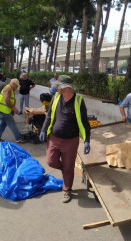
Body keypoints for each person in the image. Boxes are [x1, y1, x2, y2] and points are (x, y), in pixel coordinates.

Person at [39, 75, 91, 203]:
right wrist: (43, 130)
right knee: (51, 161)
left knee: (69, 168)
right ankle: (66, 170)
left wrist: (87, 140)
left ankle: (67, 190)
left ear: (65, 87)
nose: (56, 87)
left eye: (58, 85)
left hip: (70, 141)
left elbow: (85, 122)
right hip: (54, 138)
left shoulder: (78, 101)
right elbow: (50, 115)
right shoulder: (56, 97)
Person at [0, 78, 24, 143]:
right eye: (16, 86)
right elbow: (6, 100)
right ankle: (18, 138)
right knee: (12, 124)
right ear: (13, 84)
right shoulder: (8, 88)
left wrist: (12, 110)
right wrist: (14, 108)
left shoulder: (9, 88)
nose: (16, 88)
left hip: (3, 109)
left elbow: (9, 100)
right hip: (4, 110)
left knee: (3, 124)